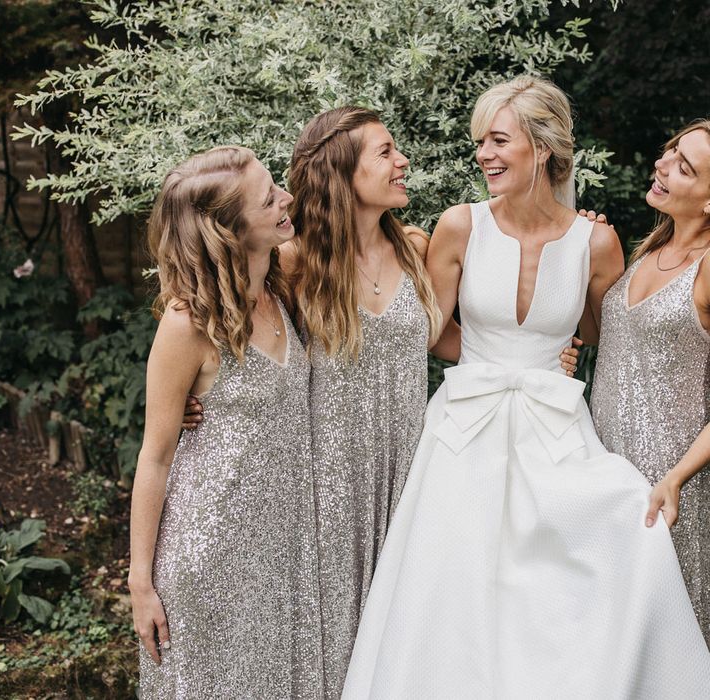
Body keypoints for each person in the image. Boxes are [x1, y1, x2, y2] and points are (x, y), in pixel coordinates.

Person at [342, 77, 710, 699]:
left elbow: (605, 330)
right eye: (479, 141)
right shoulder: (457, 227)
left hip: (556, 434)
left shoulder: (599, 241)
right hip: (461, 435)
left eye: (498, 140)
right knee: (450, 595)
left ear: (541, 148)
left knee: (554, 603)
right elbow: (424, 330)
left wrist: (551, 358)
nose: (482, 153)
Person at [129, 146, 323, 699]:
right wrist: (140, 582)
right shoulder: (187, 324)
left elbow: (371, 250)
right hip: (209, 554)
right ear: (230, 231)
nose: (288, 199)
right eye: (269, 199)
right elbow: (156, 456)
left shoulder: (283, 279)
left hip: (283, 550)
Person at [285, 106, 458, 699]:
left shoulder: (416, 246)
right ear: (341, 170)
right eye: (385, 152)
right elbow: (233, 340)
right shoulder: (294, 262)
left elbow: (453, 341)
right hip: (324, 483)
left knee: (404, 640)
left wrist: (537, 352)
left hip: (412, 471)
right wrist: (187, 402)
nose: (402, 161)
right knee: (334, 639)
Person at [586, 120, 710, 643]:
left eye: (685, 167)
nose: (663, 166)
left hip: (665, 486)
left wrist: (676, 478)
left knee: (664, 642)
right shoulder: (646, 251)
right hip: (603, 469)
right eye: (670, 153)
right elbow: (606, 339)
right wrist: (584, 248)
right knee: (606, 637)